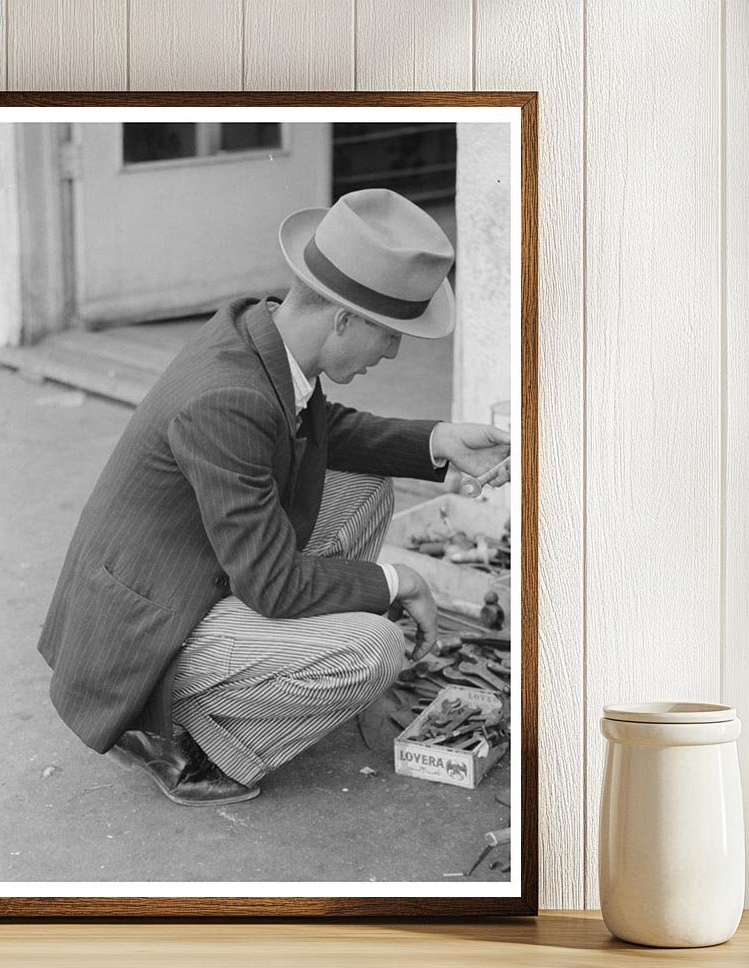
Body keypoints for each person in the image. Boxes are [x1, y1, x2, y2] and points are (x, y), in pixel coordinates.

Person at [38, 188, 510, 807]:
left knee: (365, 483)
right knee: (375, 647)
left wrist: (440, 439)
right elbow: (275, 585)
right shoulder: (227, 398)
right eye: (390, 334)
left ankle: (277, 666)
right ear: (344, 319)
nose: (393, 352)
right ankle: (192, 737)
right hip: (143, 636)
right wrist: (401, 581)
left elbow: (325, 430)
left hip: (191, 575)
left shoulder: (263, 333)